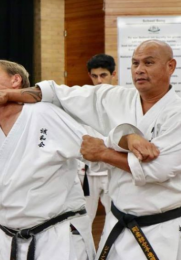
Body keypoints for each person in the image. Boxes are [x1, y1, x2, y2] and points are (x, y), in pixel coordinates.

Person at [0, 40, 181, 260]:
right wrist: (10, 95)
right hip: (120, 223)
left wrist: (103, 152)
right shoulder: (115, 98)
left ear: (171, 66)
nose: (140, 69)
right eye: (135, 63)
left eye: (149, 62)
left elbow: (157, 169)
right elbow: (59, 94)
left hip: (165, 228)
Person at [0, 60, 96, 260]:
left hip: (56, 237)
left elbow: (97, 150)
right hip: (7, 238)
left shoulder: (45, 114)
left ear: (15, 80)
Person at [78, 54, 116, 225]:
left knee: (116, 218)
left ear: (113, 75)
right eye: (95, 76)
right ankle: (85, 253)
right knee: (84, 220)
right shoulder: (81, 101)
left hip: (113, 169)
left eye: (103, 75)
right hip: (88, 171)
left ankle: (112, 253)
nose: (99, 81)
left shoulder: (124, 101)